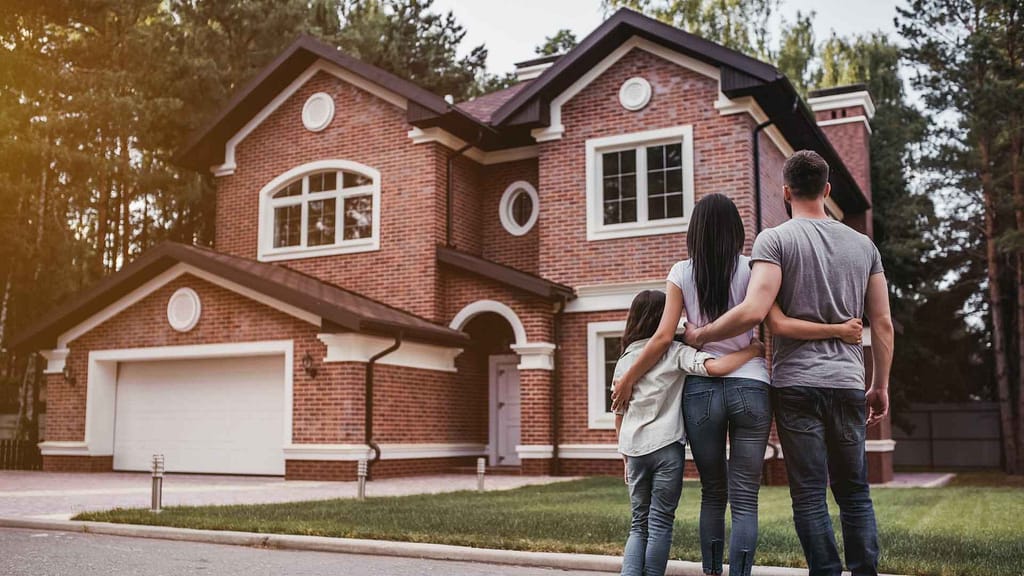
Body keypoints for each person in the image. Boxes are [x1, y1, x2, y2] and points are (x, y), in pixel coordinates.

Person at [611, 193, 863, 576]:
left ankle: (712, 571)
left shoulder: (680, 273)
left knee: (713, 493)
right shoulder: (754, 268)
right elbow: (772, 319)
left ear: (694, 232)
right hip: (751, 388)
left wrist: (628, 378)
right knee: (745, 498)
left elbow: (662, 339)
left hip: (701, 394)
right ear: (737, 231)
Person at [684, 150, 895, 576]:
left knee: (810, 494)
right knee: (855, 492)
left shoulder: (775, 239)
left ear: (785, 191)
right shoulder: (863, 246)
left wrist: (700, 335)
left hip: (796, 385)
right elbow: (884, 324)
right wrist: (879, 385)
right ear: (827, 190)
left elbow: (755, 311)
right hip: (848, 381)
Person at [613, 289, 765, 576]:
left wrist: (624, 456)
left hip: (633, 451)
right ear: (665, 319)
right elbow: (717, 367)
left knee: (638, 523)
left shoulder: (624, 361)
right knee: (659, 522)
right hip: (666, 449)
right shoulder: (674, 353)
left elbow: (618, 414)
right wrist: (752, 350)